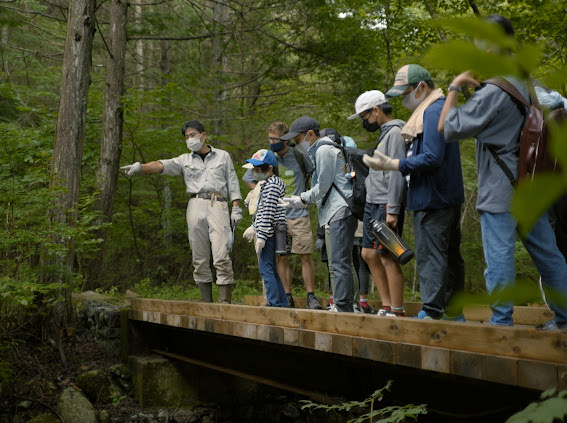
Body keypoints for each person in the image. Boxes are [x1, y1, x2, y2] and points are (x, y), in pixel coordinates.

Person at [438, 14, 567, 329]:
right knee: (549, 255)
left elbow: (446, 127)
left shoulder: (494, 90)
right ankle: (565, 319)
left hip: (501, 188)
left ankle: (501, 322)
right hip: (532, 183)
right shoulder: (528, 83)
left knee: (499, 257)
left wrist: (455, 86)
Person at [363, 65, 465, 320]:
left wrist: (395, 164)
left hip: (433, 196)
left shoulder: (432, 111)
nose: (403, 100)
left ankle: (432, 311)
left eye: (405, 92)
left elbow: (432, 156)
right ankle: (453, 312)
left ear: (421, 87)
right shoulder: (433, 109)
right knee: (449, 255)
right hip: (443, 195)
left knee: (432, 256)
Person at [120, 120, 242, 304]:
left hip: (218, 204)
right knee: (199, 256)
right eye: (186, 136)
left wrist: (237, 208)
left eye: (193, 135)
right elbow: (161, 165)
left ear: (203, 135)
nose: (190, 139)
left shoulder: (223, 156)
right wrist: (140, 168)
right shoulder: (184, 160)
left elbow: (233, 182)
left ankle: (225, 301)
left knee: (221, 252)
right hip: (195, 204)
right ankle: (206, 301)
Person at [279, 116, 358, 313]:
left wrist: (301, 198)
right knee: (341, 262)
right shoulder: (326, 149)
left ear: (310, 135)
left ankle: (342, 306)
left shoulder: (323, 150)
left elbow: (322, 186)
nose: (296, 144)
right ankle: (344, 305)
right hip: (338, 211)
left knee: (339, 263)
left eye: (297, 140)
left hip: (339, 210)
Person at [242, 122, 322, 309]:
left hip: (298, 213)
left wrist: (308, 198)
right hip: (276, 218)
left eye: (276, 139)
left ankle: (311, 296)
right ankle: (286, 296)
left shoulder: (301, 157)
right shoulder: (268, 158)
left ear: (285, 138)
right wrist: (261, 193)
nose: (272, 142)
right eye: (270, 138)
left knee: (305, 254)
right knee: (281, 257)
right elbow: (248, 178)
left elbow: (316, 175)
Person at [348, 90, 407, 317]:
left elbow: (396, 173)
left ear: (376, 110)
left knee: (388, 255)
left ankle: (397, 310)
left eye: (365, 116)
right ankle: (387, 305)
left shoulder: (395, 132)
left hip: (385, 203)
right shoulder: (384, 134)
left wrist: (392, 208)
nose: (365, 121)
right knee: (368, 254)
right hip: (373, 203)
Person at [244, 149, 289, 307]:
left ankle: (273, 303)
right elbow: (258, 208)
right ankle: (281, 302)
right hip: (266, 229)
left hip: (268, 231)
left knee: (266, 270)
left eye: (257, 170)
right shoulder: (266, 185)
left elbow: (267, 212)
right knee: (271, 269)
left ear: (269, 169)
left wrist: (261, 235)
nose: (254, 173)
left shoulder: (272, 187)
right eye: (253, 170)